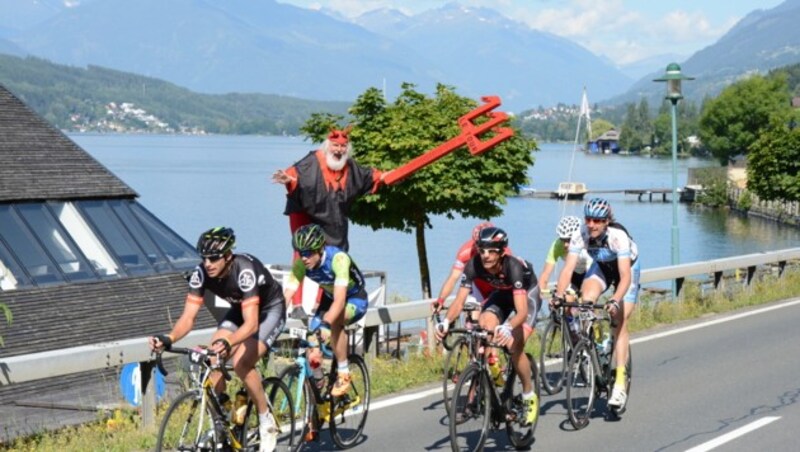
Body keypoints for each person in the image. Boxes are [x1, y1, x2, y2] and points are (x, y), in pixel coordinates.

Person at [149, 227, 286, 452]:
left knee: (241, 363)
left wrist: (230, 343)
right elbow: (188, 317)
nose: (208, 263)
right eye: (204, 257)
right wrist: (169, 337)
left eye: (213, 258)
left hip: (269, 310)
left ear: (228, 256)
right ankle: (223, 420)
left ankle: (265, 419)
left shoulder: (244, 271)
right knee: (213, 355)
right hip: (240, 309)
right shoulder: (201, 273)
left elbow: (251, 324)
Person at [435, 226, 541, 425]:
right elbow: (458, 301)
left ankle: (528, 395)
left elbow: (522, 312)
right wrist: (446, 322)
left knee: (514, 346)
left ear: (501, 252)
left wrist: (508, 326)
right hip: (502, 294)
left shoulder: (513, 267)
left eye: (491, 251)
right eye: (482, 250)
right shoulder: (473, 265)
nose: (485, 255)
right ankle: (490, 373)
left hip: (526, 296)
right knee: (483, 325)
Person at [552, 198, 640, 409]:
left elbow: (625, 276)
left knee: (619, 321)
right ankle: (593, 341)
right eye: (588, 219)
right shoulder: (580, 234)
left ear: (607, 221)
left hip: (626, 271)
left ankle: (619, 382)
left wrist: (615, 300)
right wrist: (559, 294)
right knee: (585, 300)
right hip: (601, 268)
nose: (591, 225)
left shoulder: (618, 237)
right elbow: (567, 269)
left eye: (597, 221)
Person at [282, 224, 369, 398]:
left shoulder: (338, 259)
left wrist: (326, 323)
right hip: (329, 298)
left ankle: (344, 373)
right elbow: (286, 296)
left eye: (308, 253)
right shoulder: (301, 265)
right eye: (301, 252)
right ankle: (318, 384)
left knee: (335, 321)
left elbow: (339, 301)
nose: (304, 258)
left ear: (320, 249)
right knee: (312, 346)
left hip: (354, 298)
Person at [271, 127, 387, 252]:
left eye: (343, 146)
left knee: (337, 255)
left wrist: (383, 176)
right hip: (308, 217)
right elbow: (296, 174)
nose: (339, 150)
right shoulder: (312, 161)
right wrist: (289, 180)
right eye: (335, 145)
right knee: (307, 250)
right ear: (327, 146)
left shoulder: (349, 166)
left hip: (335, 220)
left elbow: (367, 175)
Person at [431, 221, 506, 314]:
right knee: (472, 318)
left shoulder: (503, 251)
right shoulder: (465, 252)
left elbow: (509, 278)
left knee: (490, 319)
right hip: (478, 287)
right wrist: (441, 300)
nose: (480, 249)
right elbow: (453, 278)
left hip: (497, 286)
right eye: (477, 244)